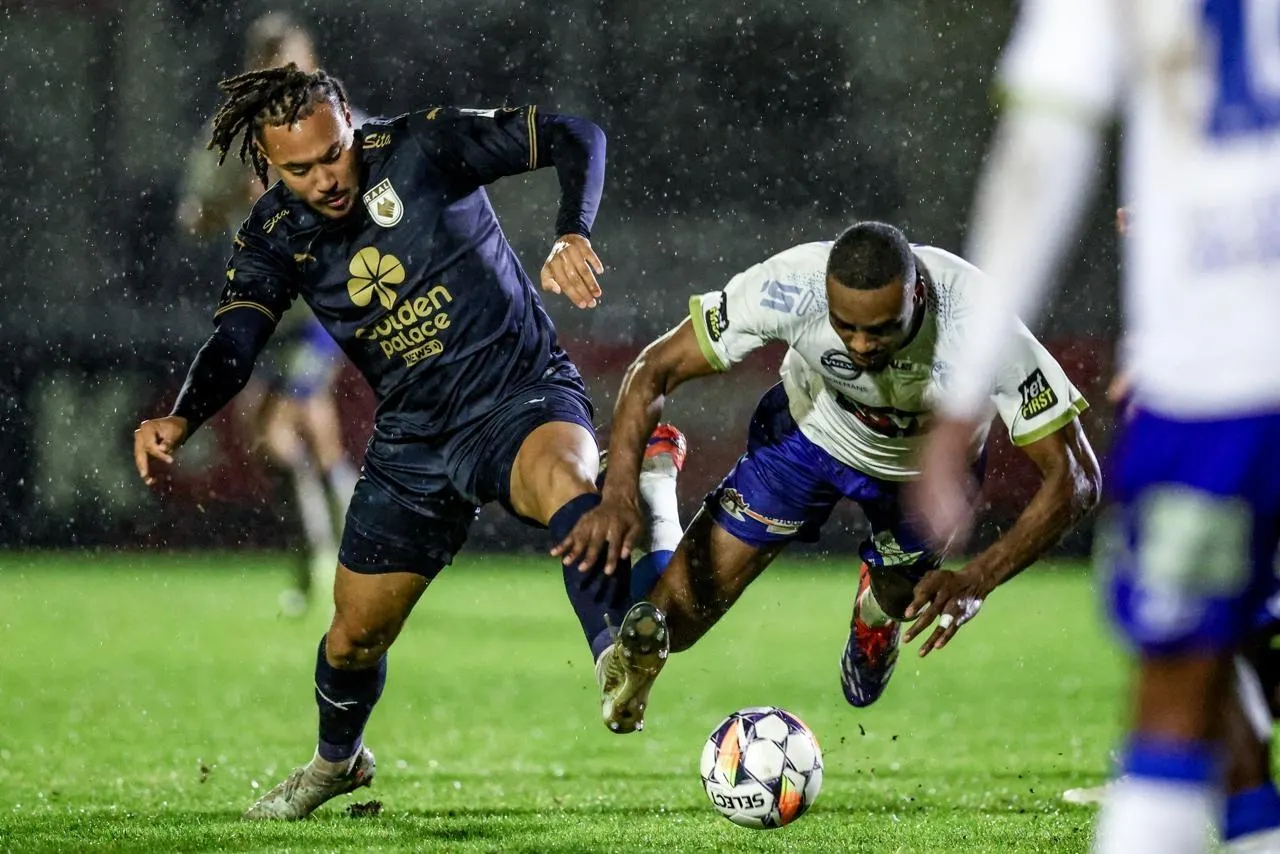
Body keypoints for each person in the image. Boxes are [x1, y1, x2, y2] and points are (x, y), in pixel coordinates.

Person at [133, 64, 684, 820]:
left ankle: (613, 658)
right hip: (414, 440)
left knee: (565, 480)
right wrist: (184, 416)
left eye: (334, 153)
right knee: (352, 639)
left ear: (349, 127)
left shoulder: (422, 146)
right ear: (269, 165)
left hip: (517, 393)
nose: (326, 178)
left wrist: (571, 231)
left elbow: (575, 134)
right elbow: (236, 341)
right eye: (300, 169)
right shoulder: (273, 234)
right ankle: (335, 765)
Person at [910, 1, 1280, 851]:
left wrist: (961, 398)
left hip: (1216, 383)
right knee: (1224, 683)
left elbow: (1041, 154)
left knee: (1181, 689)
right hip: (1216, 372)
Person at [554, 221, 1102, 735]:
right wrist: (619, 491)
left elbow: (1076, 477)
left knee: (899, 598)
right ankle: (654, 483)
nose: (860, 346)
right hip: (803, 445)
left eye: (880, 330)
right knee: (673, 625)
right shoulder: (790, 286)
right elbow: (654, 368)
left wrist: (977, 578)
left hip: (923, 479)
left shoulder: (981, 324)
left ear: (916, 297)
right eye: (847, 328)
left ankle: (876, 612)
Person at [176, 12, 363, 613]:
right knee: (302, 439)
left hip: (325, 305)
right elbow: (194, 217)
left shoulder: (340, 127)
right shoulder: (232, 137)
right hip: (265, 310)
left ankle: (320, 558)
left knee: (273, 426)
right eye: (268, 66)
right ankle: (358, 545)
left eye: (290, 67)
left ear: (311, 67)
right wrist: (232, 199)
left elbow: (375, 204)